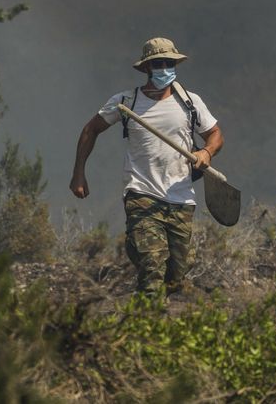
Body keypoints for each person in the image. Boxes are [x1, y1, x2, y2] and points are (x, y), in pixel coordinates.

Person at [70, 37, 224, 297]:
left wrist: (206, 153)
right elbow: (90, 130)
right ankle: (144, 321)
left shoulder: (190, 102)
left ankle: (136, 246)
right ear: (147, 68)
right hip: (141, 193)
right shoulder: (127, 103)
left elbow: (215, 134)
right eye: (158, 63)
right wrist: (78, 174)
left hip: (181, 197)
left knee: (176, 274)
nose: (164, 68)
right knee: (152, 266)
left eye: (168, 63)